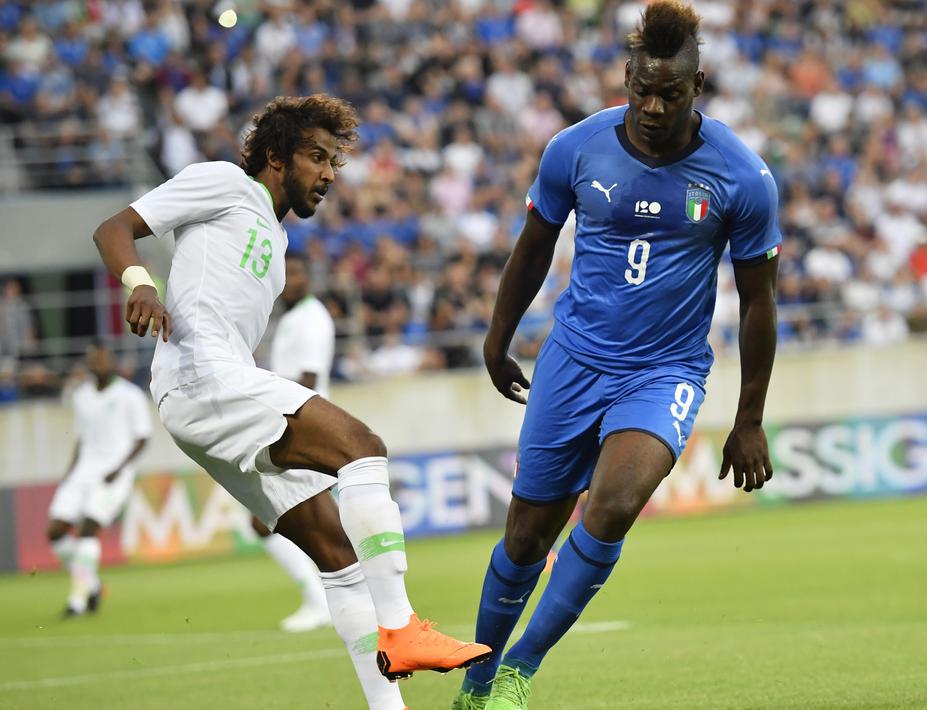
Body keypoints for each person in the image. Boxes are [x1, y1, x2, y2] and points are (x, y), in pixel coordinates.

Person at [91, 95, 489, 710]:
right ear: (275, 157)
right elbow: (114, 228)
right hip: (202, 376)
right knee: (363, 450)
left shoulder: (275, 244)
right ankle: (404, 626)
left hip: (209, 391)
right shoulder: (224, 182)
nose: (329, 173)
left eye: (335, 162)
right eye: (316, 157)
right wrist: (142, 284)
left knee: (339, 555)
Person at [453, 3, 781, 708]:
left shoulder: (742, 178)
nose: (653, 106)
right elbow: (534, 243)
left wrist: (748, 418)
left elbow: (759, 302)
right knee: (526, 535)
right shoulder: (574, 148)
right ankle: (477, 683)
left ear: (701, 85)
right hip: (572, 360)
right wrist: (496, 335)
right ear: (626, 77)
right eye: (642, 88)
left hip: (664, 372)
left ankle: (519, 671)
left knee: (611, 508)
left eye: (671, 92)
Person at [253, 250, 334, 633]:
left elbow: (308, 381)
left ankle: (320, 602)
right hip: (293, 426)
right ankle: (327, 600)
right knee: (306, 521)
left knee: (266, 522)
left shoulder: (311, 318)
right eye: (287, 273)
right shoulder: (290, 319)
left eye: (299, 272)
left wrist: (276, 428)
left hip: (299, 428)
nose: (291, 280)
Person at [46, 340, 150, 617]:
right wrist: (69, 475)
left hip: (113, 472)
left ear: (112, 361)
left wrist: (120, 468)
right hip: (83, 471)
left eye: (103, 358)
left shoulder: (130, 395)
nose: (99, 363)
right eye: (95, 359)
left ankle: (77, 602)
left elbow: (142, 438)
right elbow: (80, 441)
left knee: (87, 530)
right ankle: (91, 583)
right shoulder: (81, 396)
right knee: (55, 531)